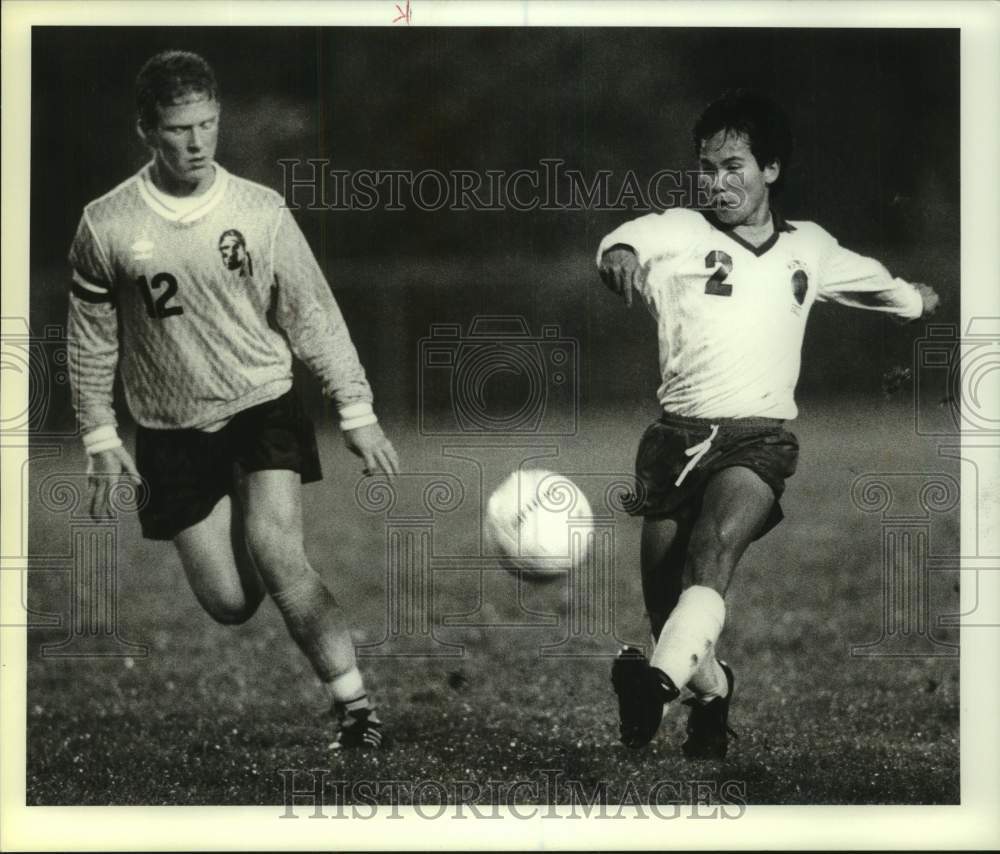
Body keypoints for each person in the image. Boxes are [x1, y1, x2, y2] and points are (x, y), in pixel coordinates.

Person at [67, 50, 400, 751]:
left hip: (261, 402)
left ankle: (356, 707)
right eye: (180, 128)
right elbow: (92, 340)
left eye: (209, 124)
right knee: (229, 602)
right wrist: (100, 435)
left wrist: (357, 409)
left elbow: (312, 313)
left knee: (280, 551)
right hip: (169, 428)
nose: (197, 142)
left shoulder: (259, 211)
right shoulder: (105, 226)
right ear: (146, 130)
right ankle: (258, 563)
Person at [596, 89, 939, 759]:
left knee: (713, 554)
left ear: (771, 170)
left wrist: (912, 300)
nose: (717, 182)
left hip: (758, 440)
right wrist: (620, 260)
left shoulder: (808, 247)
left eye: (733, 165)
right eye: (706, 167)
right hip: (673, 442)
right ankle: (711, 693)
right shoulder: (678, 231)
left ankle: (652, 688)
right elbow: (623, 240)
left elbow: (875, 283)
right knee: (671, 616)